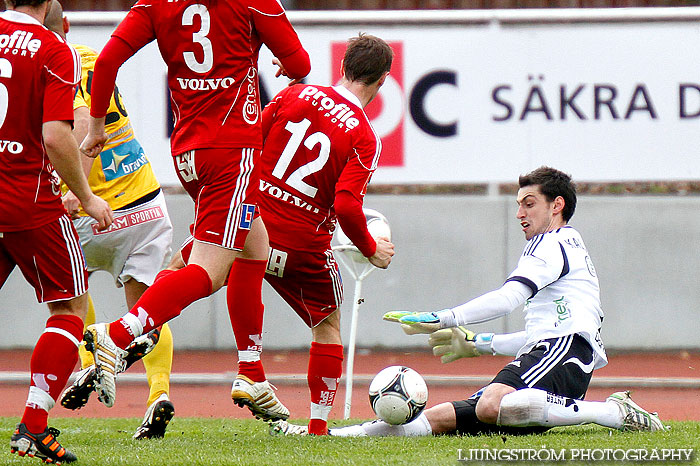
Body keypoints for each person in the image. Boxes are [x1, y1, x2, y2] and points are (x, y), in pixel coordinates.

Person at [78, 0, 310, 422]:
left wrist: (96, 127)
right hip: (232, 150)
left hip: (187, 152)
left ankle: (252, 371)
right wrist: (278, 61)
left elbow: (109, 59)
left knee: (255, 245)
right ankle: (116, 335)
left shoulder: (154, 4)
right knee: (210, 271)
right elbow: (299, 62)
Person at [330, 166, 666, 437]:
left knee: (490, 404)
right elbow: (541, 334)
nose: (519, 212)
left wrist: (441, 317)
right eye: (518, 204)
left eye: (529, 203)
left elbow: (510, 299)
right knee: (442, 418)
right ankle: (344, 436)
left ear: (557, 205)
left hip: (563, 355)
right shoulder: (568, 245)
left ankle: (612, 412)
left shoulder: (551, 243)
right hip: (560, 359)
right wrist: (479, 344)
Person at [199, 33, 395, 436]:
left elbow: (251, 139)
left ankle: (128, 336)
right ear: (384, 80)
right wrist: (371, 248)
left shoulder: (296, 94)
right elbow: (344, 206)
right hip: (303, 246)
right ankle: (318, 427)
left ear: (342, 67)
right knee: (327, 326)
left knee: (187, 267)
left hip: (250, 225)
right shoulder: (365, 136)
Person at [43, 2, 176, 440]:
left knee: (68, 297)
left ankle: (87, 365)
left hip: (88, 210)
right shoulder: (91, 56)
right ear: (66, 24)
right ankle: (158, 394)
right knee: (146, 311)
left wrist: (73, 185)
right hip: (145, 202)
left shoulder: (45, 64)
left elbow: (79, 122)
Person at [1, 0, 113, 462]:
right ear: (47, 3)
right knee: (70, 305)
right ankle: (32, 426)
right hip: (28, 200)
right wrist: (86, 196)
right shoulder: (52, 48)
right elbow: (55, 134)